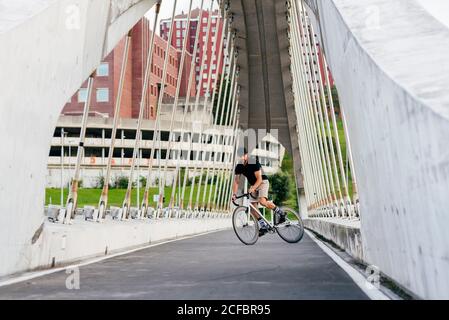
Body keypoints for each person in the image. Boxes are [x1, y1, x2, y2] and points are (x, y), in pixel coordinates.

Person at [232, 148, 286, 236]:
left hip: (262, 182)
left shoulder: (253, 162)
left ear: (246, 155)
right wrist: (234, 194)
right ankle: (263, 226)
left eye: (243, 155)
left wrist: (253, 188)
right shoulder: (239, 166)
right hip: (254, 185)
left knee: (262, 201)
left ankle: (281, 213)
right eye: (240, 156)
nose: (241, 158)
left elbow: (259, 179)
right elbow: (236, 181)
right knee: (253, 207)